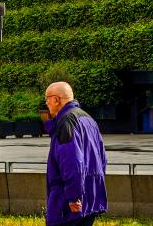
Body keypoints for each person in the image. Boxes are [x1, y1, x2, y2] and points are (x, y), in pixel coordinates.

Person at [45, 81, 108, 226]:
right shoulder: (88, 119)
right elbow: (102, 159)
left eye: (47, 99)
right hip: (91, 197)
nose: (46, 104)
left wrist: (73, 197)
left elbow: (72, 162)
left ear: (56, 99)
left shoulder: (66, 122)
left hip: (69, 203)